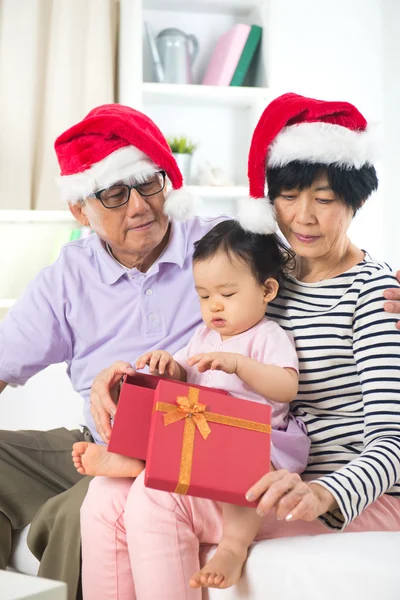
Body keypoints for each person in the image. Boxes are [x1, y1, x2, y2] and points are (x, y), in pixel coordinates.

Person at [79, 93, 400, 600]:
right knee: (103, 496)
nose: (304, 217)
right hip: (260, 468)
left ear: (356, 200)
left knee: (159, 500)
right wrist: (121, 373)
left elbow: (393, 441)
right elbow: (205, 333)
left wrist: (325, 491)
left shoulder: (377, 296)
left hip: (350, 493)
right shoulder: (269, 275)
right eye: (289, 196)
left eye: (324, 198)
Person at [0, 103, 308, 599]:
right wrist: (105, 378)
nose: (140, 206)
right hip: (94, 437)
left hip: (181, 438)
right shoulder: (67, 277)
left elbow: (312, 269)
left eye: (149, 184)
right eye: (115, 194)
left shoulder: (219, 246)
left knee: (86, 508)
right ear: (81, 209)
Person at [73, 219, 311, 590]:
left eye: (227, 294)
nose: (215, 305)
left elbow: (286, 387)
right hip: (204, 434)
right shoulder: (204, 336)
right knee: (167, 419)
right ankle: (133, 460)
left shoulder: (268, 336)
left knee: (244, 471)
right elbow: (182, 372)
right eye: (203, 295)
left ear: (267, 290)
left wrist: (241, 365)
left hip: (254, 438)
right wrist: (168, 366)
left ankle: (233, 545)